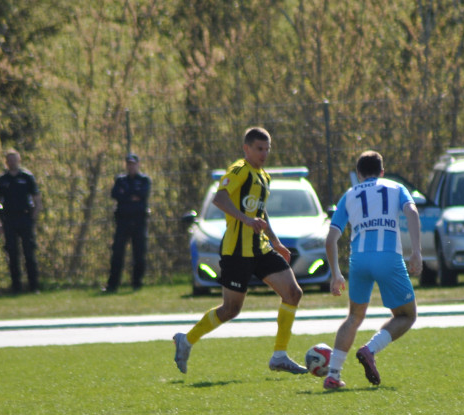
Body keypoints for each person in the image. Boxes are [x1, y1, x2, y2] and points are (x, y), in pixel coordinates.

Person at [173, 127, 308, 375]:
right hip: (237, 251)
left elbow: (259, 211)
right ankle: (186, 339)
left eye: (267, 149)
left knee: (293, 292)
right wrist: (245, 220)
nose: (264, 153)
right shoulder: (238, 170)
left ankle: (279, 355)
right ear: (246, 148)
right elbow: (219, 199)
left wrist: (275, 241)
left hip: (261, 248)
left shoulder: (264, 177)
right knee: (231, 310)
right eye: (259, 148)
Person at [321, 150, 422, 389]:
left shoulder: (349, 194)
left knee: (354, 317)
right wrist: (416, 251)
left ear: (358, 174)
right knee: (407, 315)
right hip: (388, 257)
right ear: (382, 171)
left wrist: (336, 273)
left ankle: (333, 375)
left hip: (359, 260)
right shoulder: (396, 188)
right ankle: (370, 349)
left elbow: (331, 239)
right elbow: (412, 212)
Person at [0, 149, 43, 293]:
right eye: (9, 160)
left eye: (14, 159)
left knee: (29, 253)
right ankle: (16, 286)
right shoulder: (2, 180)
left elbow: (37, 199)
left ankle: (34, 286)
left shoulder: (27, 177)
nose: (12, 162)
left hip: (25, 218)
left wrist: (33, 216)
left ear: (19, 160)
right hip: (9, 219)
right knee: (12, 253)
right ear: (6, 162)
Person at [105, 153, 151, 292]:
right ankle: (113, 284)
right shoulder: (120, 180)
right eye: (128, 164)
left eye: (133, 164)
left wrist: (125, 194)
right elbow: (115, 194)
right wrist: (131, 196)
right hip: (122, 221)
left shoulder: (144, 180)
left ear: (138, 164)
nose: (131, 166)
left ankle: (137, 283)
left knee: (139, 253)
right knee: (117, 253)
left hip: (139, 221)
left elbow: (142, 194)